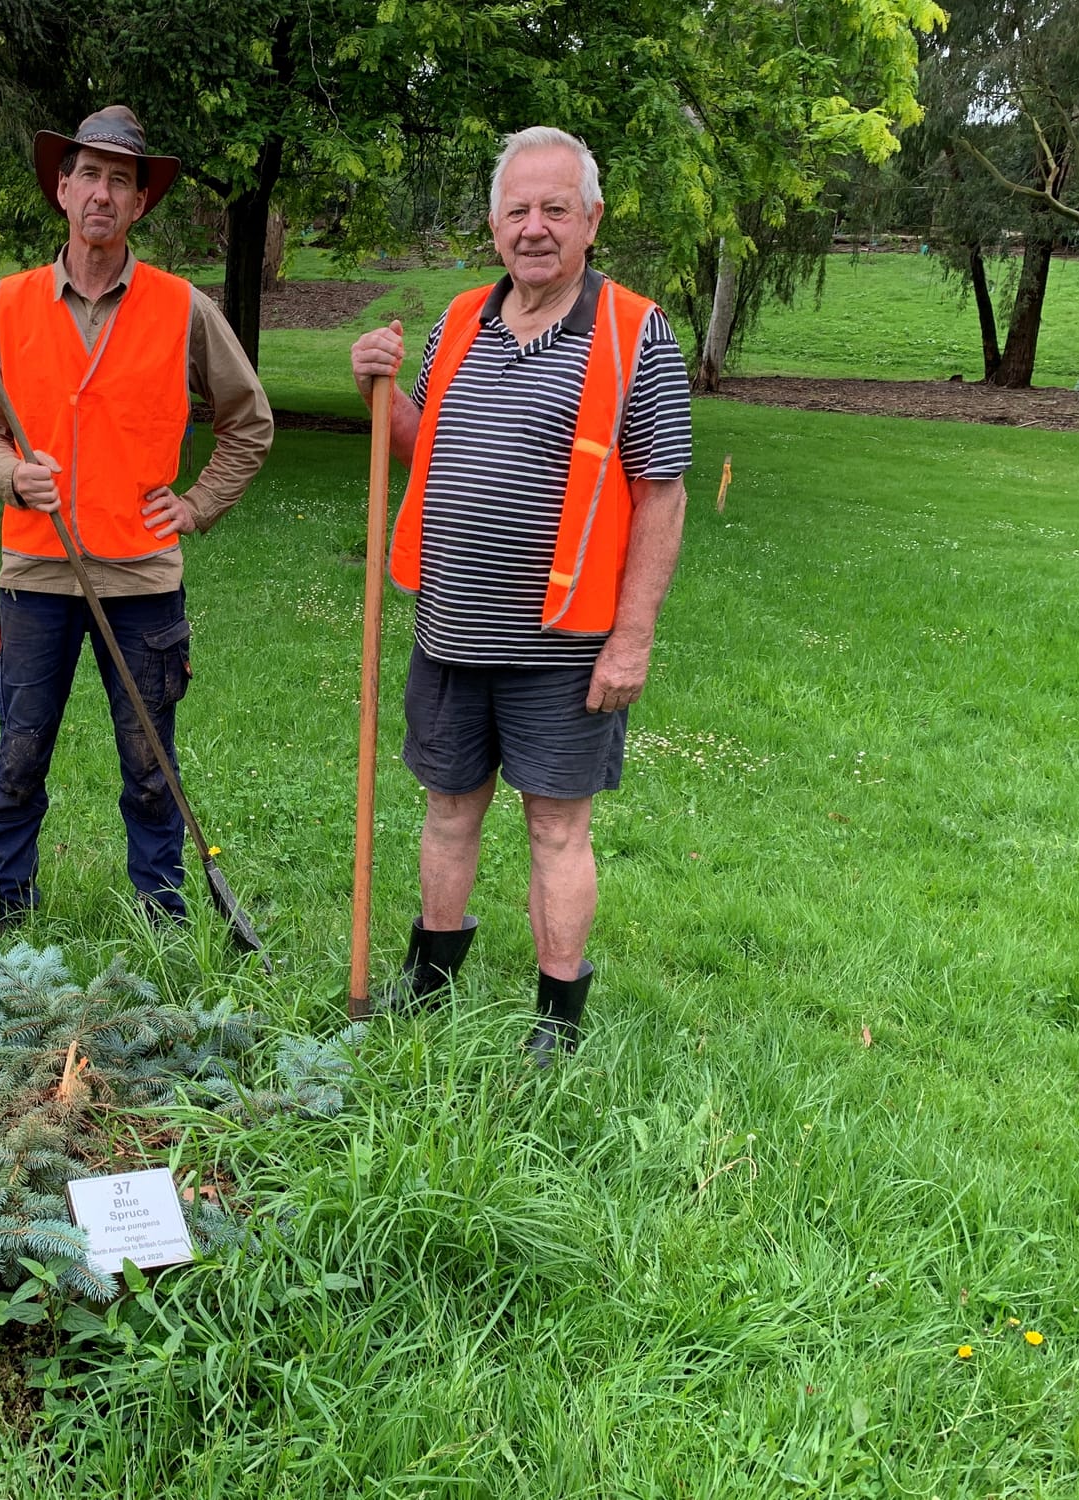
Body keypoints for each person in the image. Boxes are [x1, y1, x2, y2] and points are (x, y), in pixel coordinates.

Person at [349, 127, 692, 1063]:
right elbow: (421, 442)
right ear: (495, 223)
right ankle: (430, 982)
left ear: (591, 220)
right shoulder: (461, 319)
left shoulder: (636, 332)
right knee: (449, 809)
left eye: (554, 209)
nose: (534, 227)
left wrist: (632, 639)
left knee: (557, 829)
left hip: (565, 646)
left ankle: (556, 1018)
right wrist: (380, 390)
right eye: (517, 210)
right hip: (450, 630)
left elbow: (662, 492)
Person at [0, 105, 274, 931]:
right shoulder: (11, 303)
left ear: (139, 203)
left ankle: (160, 914)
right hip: (36, 572)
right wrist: (12, 475)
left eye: (120, 181)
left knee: (149, 764)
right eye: (89, 175)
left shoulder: (181, 307)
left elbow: (249, 421)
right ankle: (2, 907)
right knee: (19, 754)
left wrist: (197, 504)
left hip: (142, 578)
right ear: (62, 190)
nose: (102, 193)